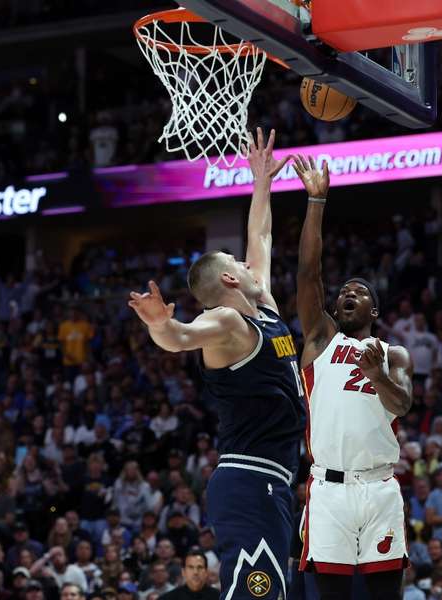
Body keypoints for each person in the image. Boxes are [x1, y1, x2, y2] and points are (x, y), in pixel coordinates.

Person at [128, 128, 302, 600]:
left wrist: (261, 182)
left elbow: (261, 234)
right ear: (230, 276)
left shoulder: (263, 306)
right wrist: (159, 325)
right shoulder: (226, 321)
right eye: (239, 262)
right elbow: (181, 337)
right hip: (250, 477)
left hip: (275, 478)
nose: (250, 262)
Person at [292, 153, 413, 600]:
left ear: (374, 311)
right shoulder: (321, 340)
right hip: (329, 488)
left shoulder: (394, 354)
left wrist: (376, 374)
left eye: (359, 293)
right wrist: (316, 201)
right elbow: (308, 273)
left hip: (380, 487)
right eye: (344, 291)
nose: (348, 294)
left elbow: (403, 406)